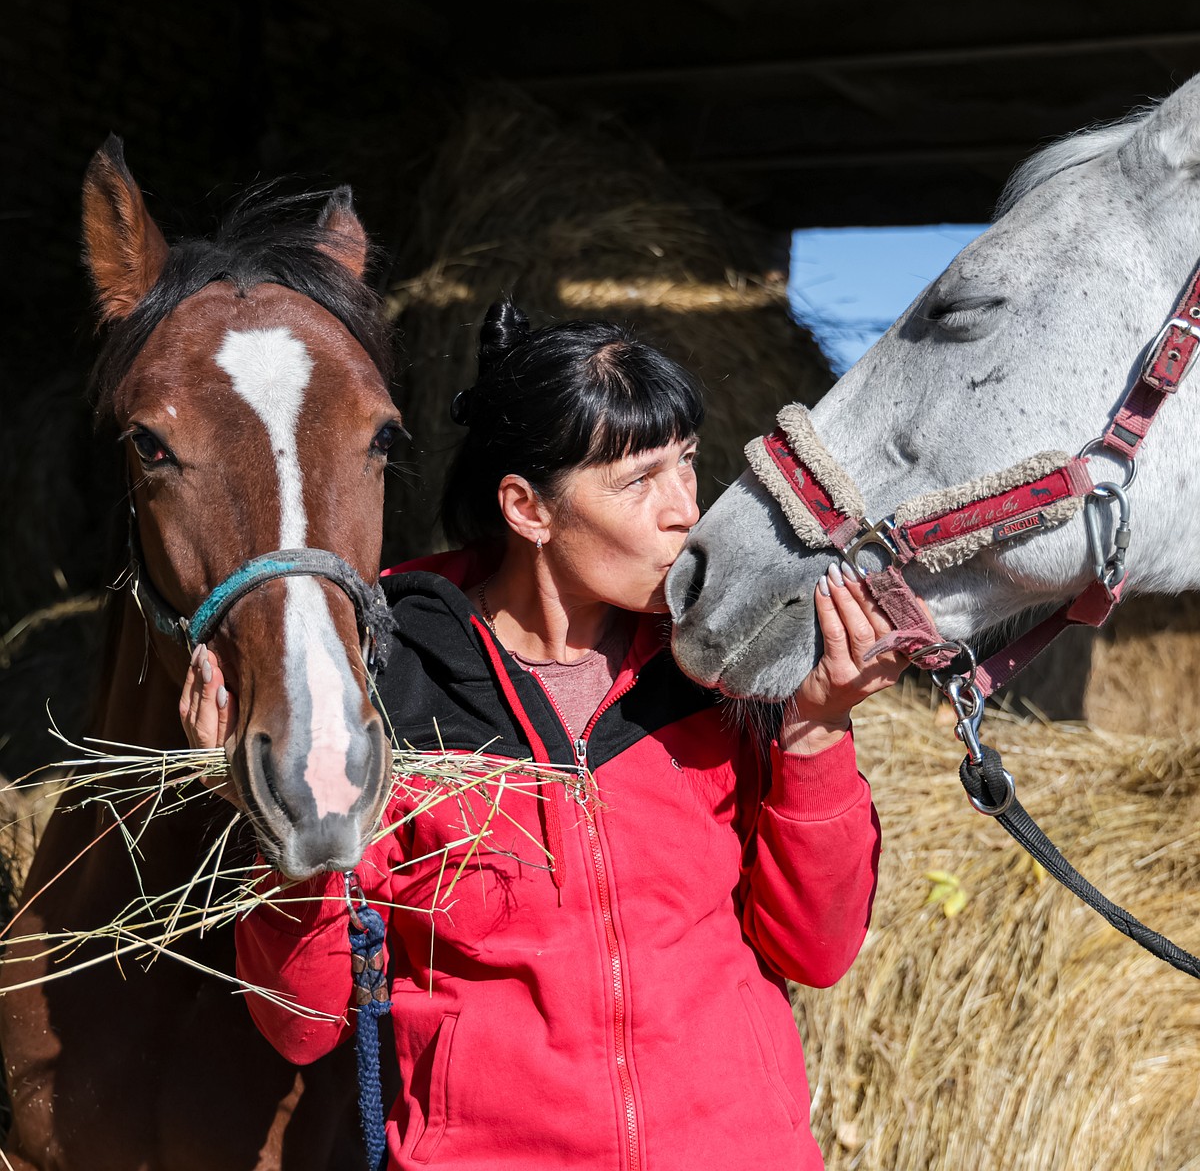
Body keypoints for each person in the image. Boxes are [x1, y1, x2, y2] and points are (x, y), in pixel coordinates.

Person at [181, 301, 902, 1171]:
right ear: (528, 509)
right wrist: (279, 824)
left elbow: (816, 954)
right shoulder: (395, 691)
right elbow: (301, 1024)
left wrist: (818, 730)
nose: (690, 512)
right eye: (640, 481)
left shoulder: (719, 671)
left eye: (689, 464)